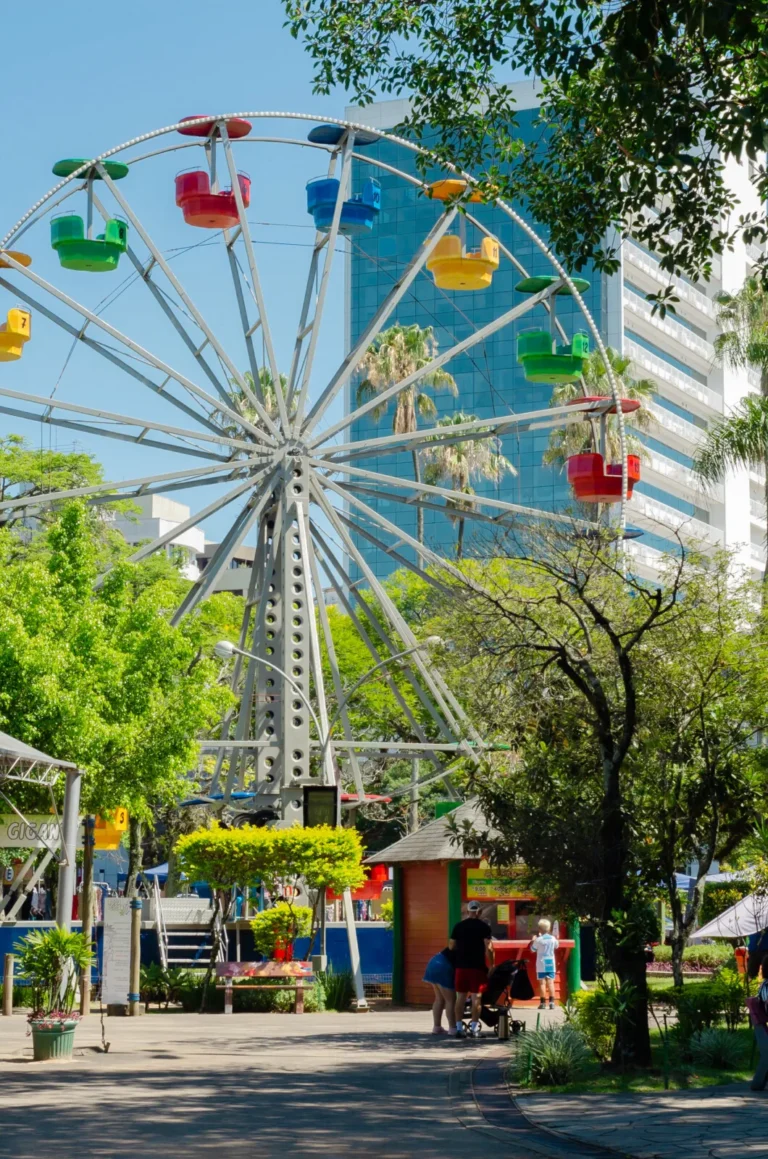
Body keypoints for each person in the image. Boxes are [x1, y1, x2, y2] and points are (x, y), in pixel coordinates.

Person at [449, 900, 493, 1038]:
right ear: (479, 912)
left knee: (460, 997)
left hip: (461, 966)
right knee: (476, 998)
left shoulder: (458, 926)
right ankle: (474, 1029)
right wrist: (492, 964)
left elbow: (451, 946)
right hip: (477, 967)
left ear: (468, 912)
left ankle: (459, 1028)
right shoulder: (484, 927)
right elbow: (488, 948)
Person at [422, 946, 456, 1035]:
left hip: (433, 962)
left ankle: (437, 1027)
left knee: (439, 999)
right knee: (451, 1000)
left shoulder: (455, 943)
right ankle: (453, 1028)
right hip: (444, 966)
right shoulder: (466, 948)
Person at [530, 918, 559, 1010]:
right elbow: (557, 946)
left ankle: (542, 1003)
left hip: (541, 963)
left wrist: (532, 940)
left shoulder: (538, 940)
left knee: (542, 983)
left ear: (539, 930)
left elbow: (532, 950)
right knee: (551, 983)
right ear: (549, 929)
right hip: (550, 962)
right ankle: (552, 1002)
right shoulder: (553, 939)